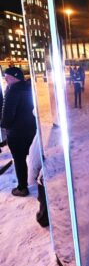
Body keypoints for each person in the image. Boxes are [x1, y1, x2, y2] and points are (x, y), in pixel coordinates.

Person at [0, 67, 36, 196]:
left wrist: (4, 125)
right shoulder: (28, 88)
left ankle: (22, 187)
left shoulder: (13, 90)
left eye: (7, 77)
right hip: (30, 128)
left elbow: (8, 114)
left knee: (19, 159)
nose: (6, 80)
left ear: (15, 78)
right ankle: (38, 178)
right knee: (31, 155)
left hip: (17, 132)